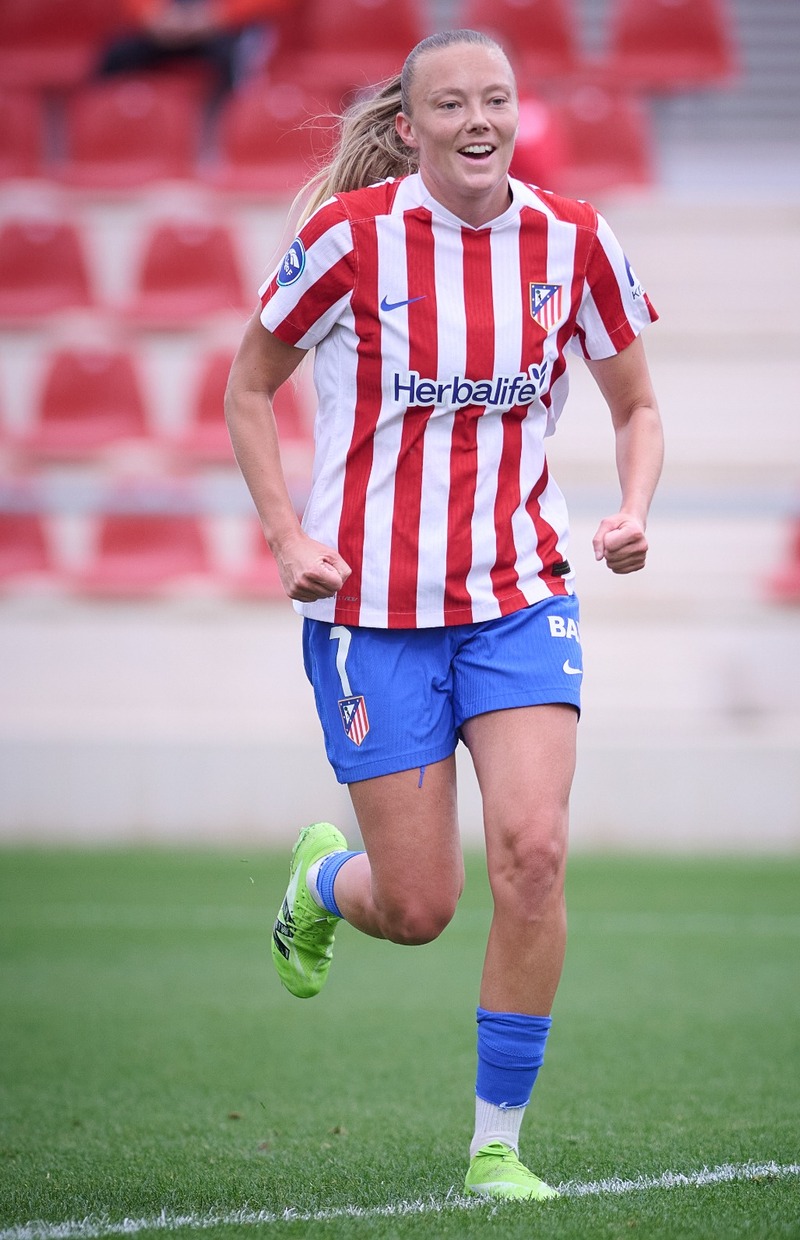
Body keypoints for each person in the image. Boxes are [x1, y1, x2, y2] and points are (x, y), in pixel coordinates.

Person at [224, 28, 663, 1200]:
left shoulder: (574, 241)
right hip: (371, 609)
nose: (479, 120)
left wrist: (628, 509)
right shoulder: (346, 242)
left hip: (519, 596)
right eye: (452, 103)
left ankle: (495, 1146)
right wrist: (287, 539)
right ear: (408, 126)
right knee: (418, 906)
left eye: (498, 99)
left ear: (519, 113)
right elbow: (248, 387)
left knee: (534, 851)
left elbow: (636, 406)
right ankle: (323, 883)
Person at [96, 0, 290, 106]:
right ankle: (103, 133)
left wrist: (221, 15)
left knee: (236, 62)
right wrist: (151, 14)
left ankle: (227, 140)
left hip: (224, 28)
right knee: (117, 55)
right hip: (162, 27)